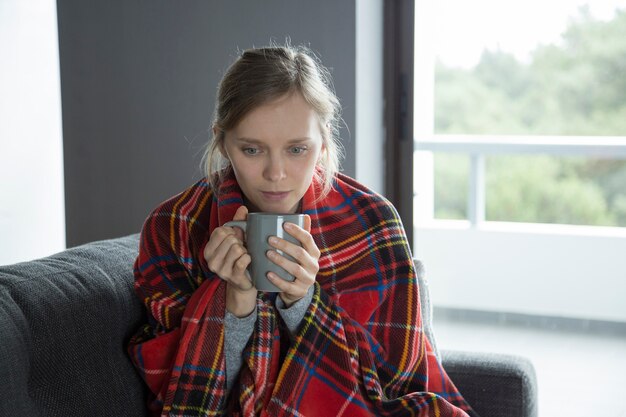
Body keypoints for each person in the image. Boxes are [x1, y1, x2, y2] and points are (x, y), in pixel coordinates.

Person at [128, 44, 475, 417]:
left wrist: (304, 304)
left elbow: (396, 384)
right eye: (252, 150)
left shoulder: (373, 220)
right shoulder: (173, 227)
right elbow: (177, 398)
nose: (275, 174)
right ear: (223, 142)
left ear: (323, 142)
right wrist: (233, 302)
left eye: (296, 150)